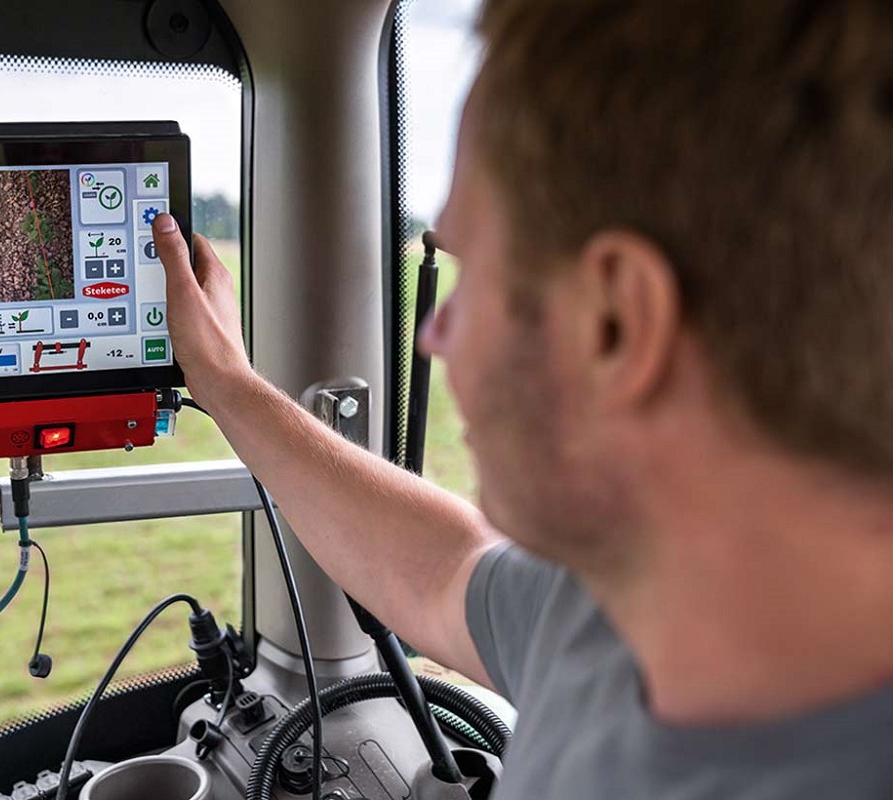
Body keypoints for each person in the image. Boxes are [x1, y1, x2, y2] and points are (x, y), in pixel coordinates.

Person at [152, 0, 893, 796]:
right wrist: (228, 385)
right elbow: (441, 569)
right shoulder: (627, 602)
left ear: (614, 322)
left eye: (472, 278)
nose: (439, 336)